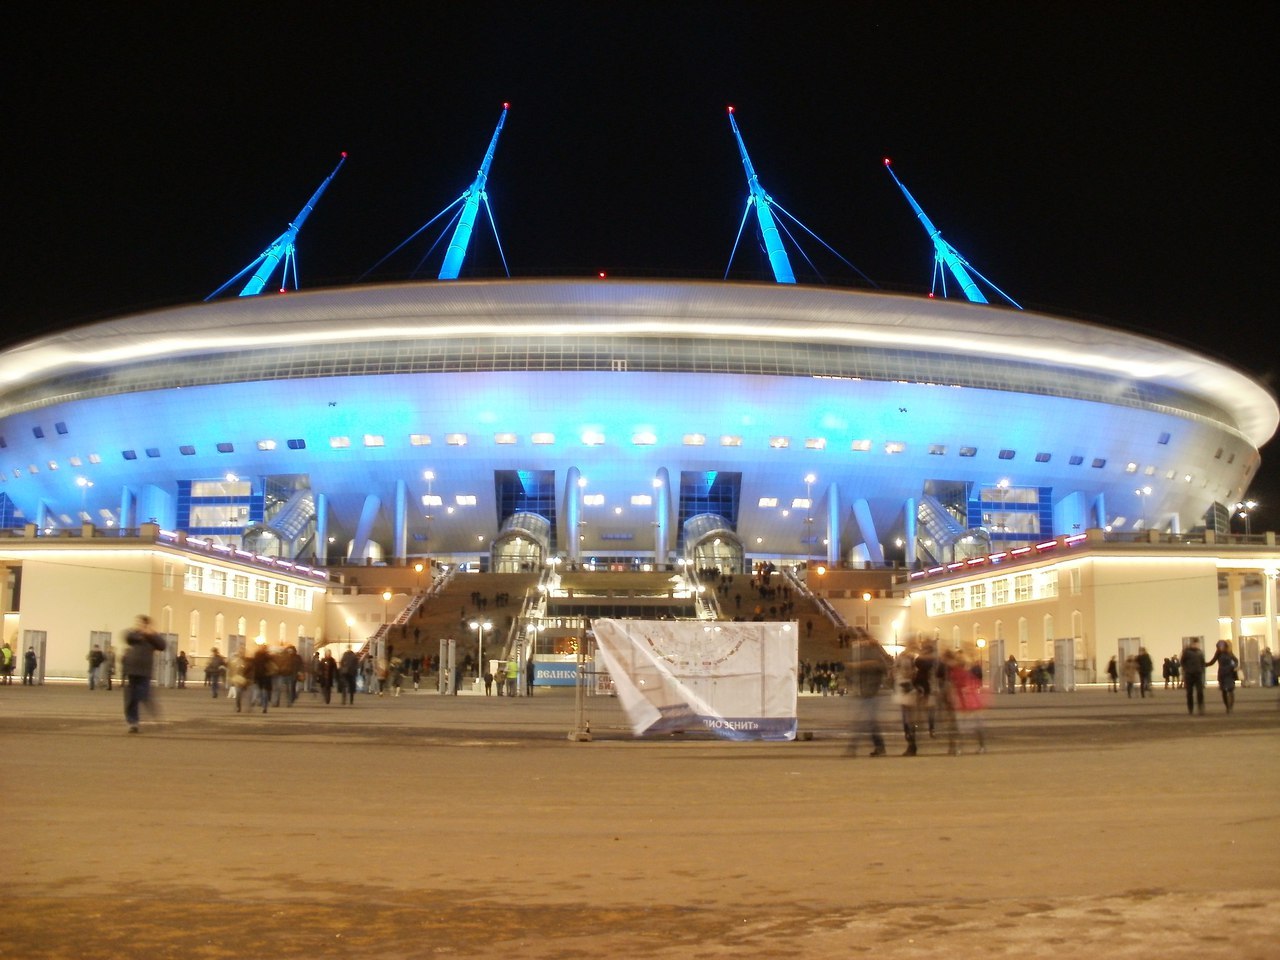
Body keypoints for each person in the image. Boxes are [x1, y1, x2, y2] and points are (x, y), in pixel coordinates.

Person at [847, 634, 891, 756]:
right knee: (869, 722)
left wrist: (861, 665)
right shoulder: (862, 653)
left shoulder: (876, 652)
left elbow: (882, 667)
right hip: (864, 692)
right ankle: (878, 747)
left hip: (872, 693)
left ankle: (853, 748)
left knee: (864, 721)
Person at [121, 615, 166, 733]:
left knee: (144, 695)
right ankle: (133, 723)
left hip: (145, 672)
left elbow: (162, 645)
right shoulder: (134, 635)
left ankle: (153, 713)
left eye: (141, 623)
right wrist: (141, 633)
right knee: (131, 698)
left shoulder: (152, 638)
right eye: (138, 623)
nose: (139, 625)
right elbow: (127, 637)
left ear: (147, 624)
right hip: (132, 671)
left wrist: (151, 634)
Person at [1205, 640, 1239, 714]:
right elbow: (1212, 662)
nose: (1220, 648)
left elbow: (1236, 661)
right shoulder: (1218, 653)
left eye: (1221, 646)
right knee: (1224, 691)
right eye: (1218, 647)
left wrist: (1234, 666)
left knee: (1230, 690)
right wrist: (1204, 664)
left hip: (1229, 673)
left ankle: (1230, 707)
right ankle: (1227, 706)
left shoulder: (1229, 653)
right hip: (1222, 674)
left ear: (1224, 646)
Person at [1180, 638, 1206, 716]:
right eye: (1195, 644)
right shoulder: (1186, 652)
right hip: (1189, 675)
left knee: (1200, 691)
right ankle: (1190, 708)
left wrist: (1201, 669)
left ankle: (1200, 707)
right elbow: (1182, 662)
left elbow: (1202, 662)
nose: (1196, 645)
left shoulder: (1200, 652)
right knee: (1189, 693)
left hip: (1198, 674)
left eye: (1197, 644)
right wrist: (1186, 669)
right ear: (1192, 644)